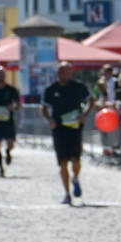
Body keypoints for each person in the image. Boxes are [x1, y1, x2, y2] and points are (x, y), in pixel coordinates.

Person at [41, 62, 93, 204]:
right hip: (59, 128)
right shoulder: (51, 89)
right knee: (63, 162)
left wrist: (85, 115)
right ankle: (67, 193)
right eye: (64, 72)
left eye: (69, 72)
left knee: (76, 159)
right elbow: (43, 107)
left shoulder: (79, 87)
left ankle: (75, 178)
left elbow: (91, 101)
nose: (66, 75)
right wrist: (50, 119)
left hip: (75, 127)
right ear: (58, 73)